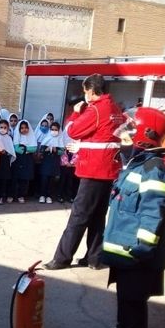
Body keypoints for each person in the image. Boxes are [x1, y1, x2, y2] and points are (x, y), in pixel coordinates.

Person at [98, 107, 165, 328]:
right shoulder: (136, 163)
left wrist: (143, 246)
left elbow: (153, 210)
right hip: (123, 242)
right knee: (124, 290)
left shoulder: (154, 167)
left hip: (136, 247)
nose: (123, 134)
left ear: (143, 135)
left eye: (129, 130)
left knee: (134, 295)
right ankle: (122, 327)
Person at [44, 73, 124, 270]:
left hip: (93, 170)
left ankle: (62, 259)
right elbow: (107, 137)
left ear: (91, 90)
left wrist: (77, 112)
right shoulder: (115, 108)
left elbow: (73, 131)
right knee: (97, 216)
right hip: (108, 170)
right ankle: (95, 258)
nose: (85, 95)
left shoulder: (96, 110)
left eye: (85, 91)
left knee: (79, 216)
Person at [38, 121, 65, 204]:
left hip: (55, 162)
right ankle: (42, 195)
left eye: (56, 129)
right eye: (52, 129)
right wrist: (45, 150)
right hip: (46, 162)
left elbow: (62, 151)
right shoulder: (46, 138)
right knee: (44, 179)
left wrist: (56, 150)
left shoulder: (60, 139)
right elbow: (41, 150)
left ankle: (49, 196)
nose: (54, 131)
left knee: (52, 180)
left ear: (59, 130)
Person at [11, 119, 36, 203]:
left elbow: (34, 148)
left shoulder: (32, 136)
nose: (24, 129)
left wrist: (24, 148)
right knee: (15, 178)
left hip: (28, 159)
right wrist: (27, 149)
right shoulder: (17, 136)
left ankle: (21, 195)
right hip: (18, 158)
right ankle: (12, 195)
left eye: (26, 128)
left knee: (25, 179)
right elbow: (17, 149)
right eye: (22, 128)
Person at [0, 119, 16, 204]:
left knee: (4, 179)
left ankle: (1, 196)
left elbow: (11, 150)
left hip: (5, 161)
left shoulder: (9, 138)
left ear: (8, 128)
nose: (3, 129)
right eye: (1, 127)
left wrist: (6, 152)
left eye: (5, 127)